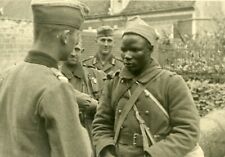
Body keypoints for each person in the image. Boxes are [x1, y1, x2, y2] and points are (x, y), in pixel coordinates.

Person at [92, 17, 201, 157]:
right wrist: (106, 150)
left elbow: (188, 131)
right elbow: (101, 124)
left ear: (150, 50)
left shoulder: (171, 83)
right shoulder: (114, 83)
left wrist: (154, 154)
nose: (127, 56)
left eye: (135, 50)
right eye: (124, 50)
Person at [0, 0, 92, 157]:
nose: (77, 42)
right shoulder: (56, 87)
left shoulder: (9, 75)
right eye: (77, 35)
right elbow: (77, 153)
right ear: (65, 36)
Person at [61, 37, 105, 143]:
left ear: (82, 51)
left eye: (76, 49)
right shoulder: (54, 76)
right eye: (69, 49)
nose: (73, 53)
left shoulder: (97, 76)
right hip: (65, 135)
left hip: (92, 135)